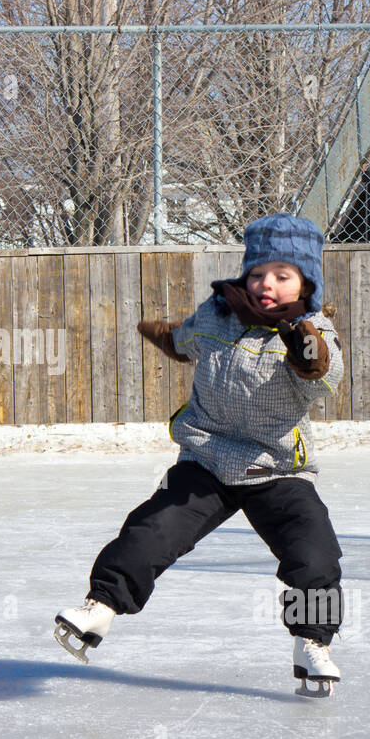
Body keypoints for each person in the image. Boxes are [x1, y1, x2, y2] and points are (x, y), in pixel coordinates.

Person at [52, 214, 347, 697]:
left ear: (305, 282)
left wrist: (305, 349)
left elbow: (326, 375)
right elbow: (185, 339)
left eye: (282, 275)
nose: (266, 284)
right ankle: (100, 606)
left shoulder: (312, 329)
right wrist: (167, 335)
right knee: (152, 528)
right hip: (207, 457)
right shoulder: (217, 313)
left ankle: (313, 643)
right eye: (257, 274)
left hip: (276, 467)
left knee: (313, 553)